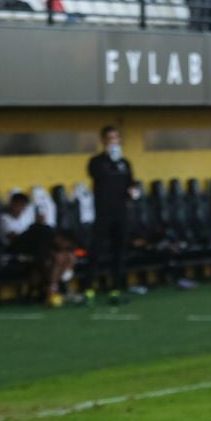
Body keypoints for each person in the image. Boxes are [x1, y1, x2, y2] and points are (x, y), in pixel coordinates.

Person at [87, 125, 138, 304]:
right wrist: (110, 159)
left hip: (120, 213)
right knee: (97, 251)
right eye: (109, 139)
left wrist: (133, 191)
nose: (113, 142)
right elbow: (96, 175)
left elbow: (132, 183)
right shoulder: (97, 162)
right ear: (103, 141)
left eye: (115, 138)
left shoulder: (125, 163)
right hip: (103, 213)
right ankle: (89, 288)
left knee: (119, 251)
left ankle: (115, 288)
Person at [0, 191, 71, 307]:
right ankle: (52, 289)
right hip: (15, 251)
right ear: (12, 204)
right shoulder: (4, 219)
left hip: (34, 249)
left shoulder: (25, 217)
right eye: (18, 205)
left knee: (60, 256)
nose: (21, 208)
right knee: (42, 234)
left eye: (23, 205)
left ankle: (51, 288)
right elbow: (14, 239)